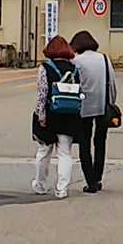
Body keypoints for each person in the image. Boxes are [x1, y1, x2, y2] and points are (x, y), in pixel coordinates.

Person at [32, 35, 79, 199]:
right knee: (65, 153)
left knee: (44, 151)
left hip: (50, 113)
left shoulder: (45, 67)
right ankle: (62, 188)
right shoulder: (74, 68)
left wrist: (41, 114)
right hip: (70, 114)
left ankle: (40, 184)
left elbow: (42, 93)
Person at [70, 30, 116, 195]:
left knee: (84, 144)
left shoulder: (76, 61)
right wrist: (111, 102)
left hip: (83, 107)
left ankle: (90, 182)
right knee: (100, 142)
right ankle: (98, 177)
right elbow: (111, 82)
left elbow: (73, 83)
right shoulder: (104, 58)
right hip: (102, 106)